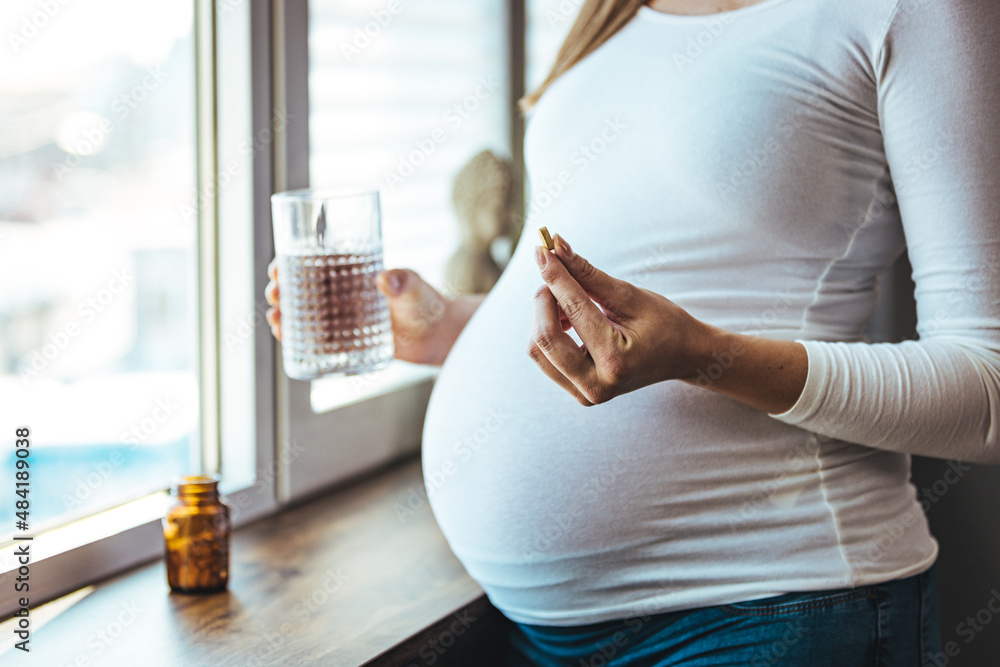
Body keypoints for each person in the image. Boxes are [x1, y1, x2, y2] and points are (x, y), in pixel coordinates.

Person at [266, 0, 1000, 663]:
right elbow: (634, 286)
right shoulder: (608, 14)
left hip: (768, 609)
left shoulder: (911, 11)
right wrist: (454, 328)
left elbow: (988, 388)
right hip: (537, 632)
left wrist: (705, 356)